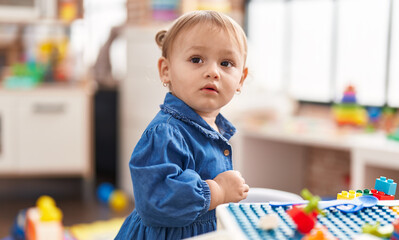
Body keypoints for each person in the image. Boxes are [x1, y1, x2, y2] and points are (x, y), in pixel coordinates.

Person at [115, 10, 249, 239]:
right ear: (166, 71)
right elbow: (156, 200)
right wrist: (217, 191)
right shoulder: (165, 133)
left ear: (241, 80)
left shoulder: (215, 129)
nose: (213, 72)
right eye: (196, 60)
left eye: (226, 63)